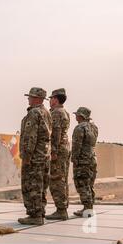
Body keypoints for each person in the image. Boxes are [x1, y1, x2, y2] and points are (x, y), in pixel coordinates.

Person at [18, 87, 52, 225]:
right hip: (44, 156)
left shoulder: (34, 113)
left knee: (31, 186)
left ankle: (35, 215)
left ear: (37, 98)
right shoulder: (46, 113)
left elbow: (30, 137)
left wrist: (26, 157)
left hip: (34, 157)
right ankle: (40, 212)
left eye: (30, 97)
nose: (28, 99)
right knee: (41, 186)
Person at [45, 88, 71, 220]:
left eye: (51, 98)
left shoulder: (56, 113)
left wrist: (53, 151)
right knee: (62, 179)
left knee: (56, 179)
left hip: (58, 149)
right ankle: (63, 208)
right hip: (65, 148)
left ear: (55, 99)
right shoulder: (65, 112)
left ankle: (61, 210)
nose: (49, 101)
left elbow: (55, 133)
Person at [71, 107, 99, 217]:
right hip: (92, 158)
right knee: (90, 184)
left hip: (83, 160)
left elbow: (76, 146)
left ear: (81, 116)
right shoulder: (94, 127)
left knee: (82, 183)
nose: (75, 116)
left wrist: (75, 159)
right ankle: (89, 207)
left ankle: (87, 209)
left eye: (77, 114)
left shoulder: (79, 128)